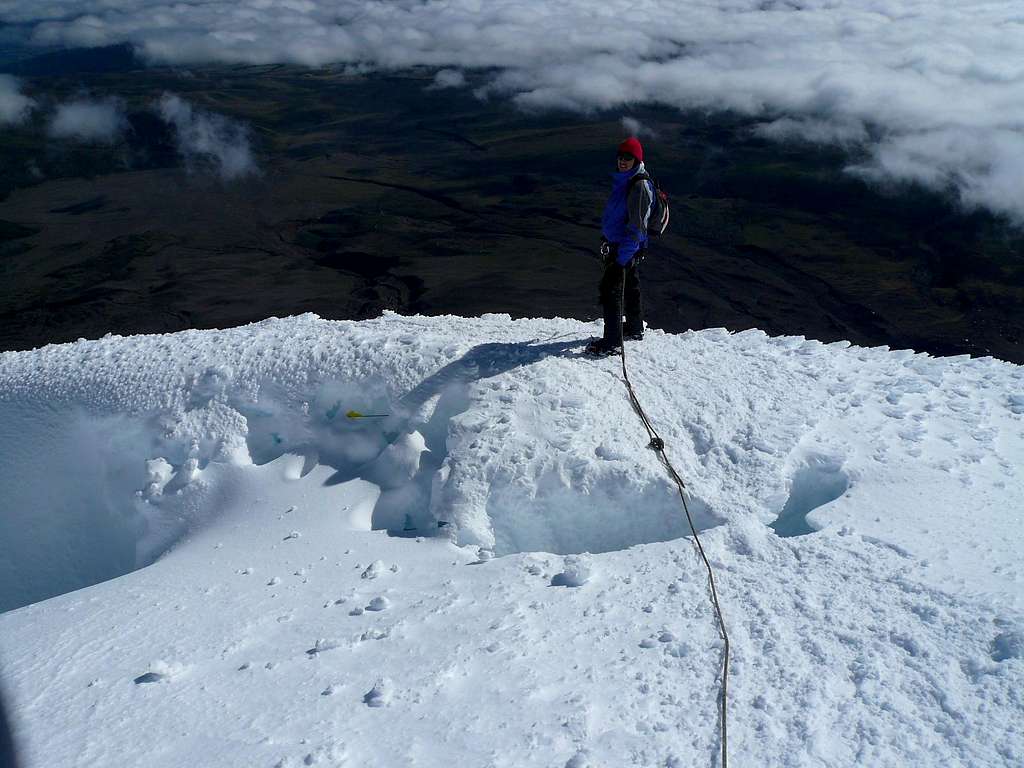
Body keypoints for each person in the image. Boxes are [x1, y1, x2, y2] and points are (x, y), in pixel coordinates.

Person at [585, 137, 655, 357]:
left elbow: (636, 228)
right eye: (621, 157)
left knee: (611, 290)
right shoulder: (628, 180)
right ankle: (634, 328)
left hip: (624, 248)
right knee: (630, 284)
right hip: (622, 245)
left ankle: (613, 342)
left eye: (629, 157)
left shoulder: (638, 185)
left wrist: (621, 259)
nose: (623, 161)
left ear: (637, 159)